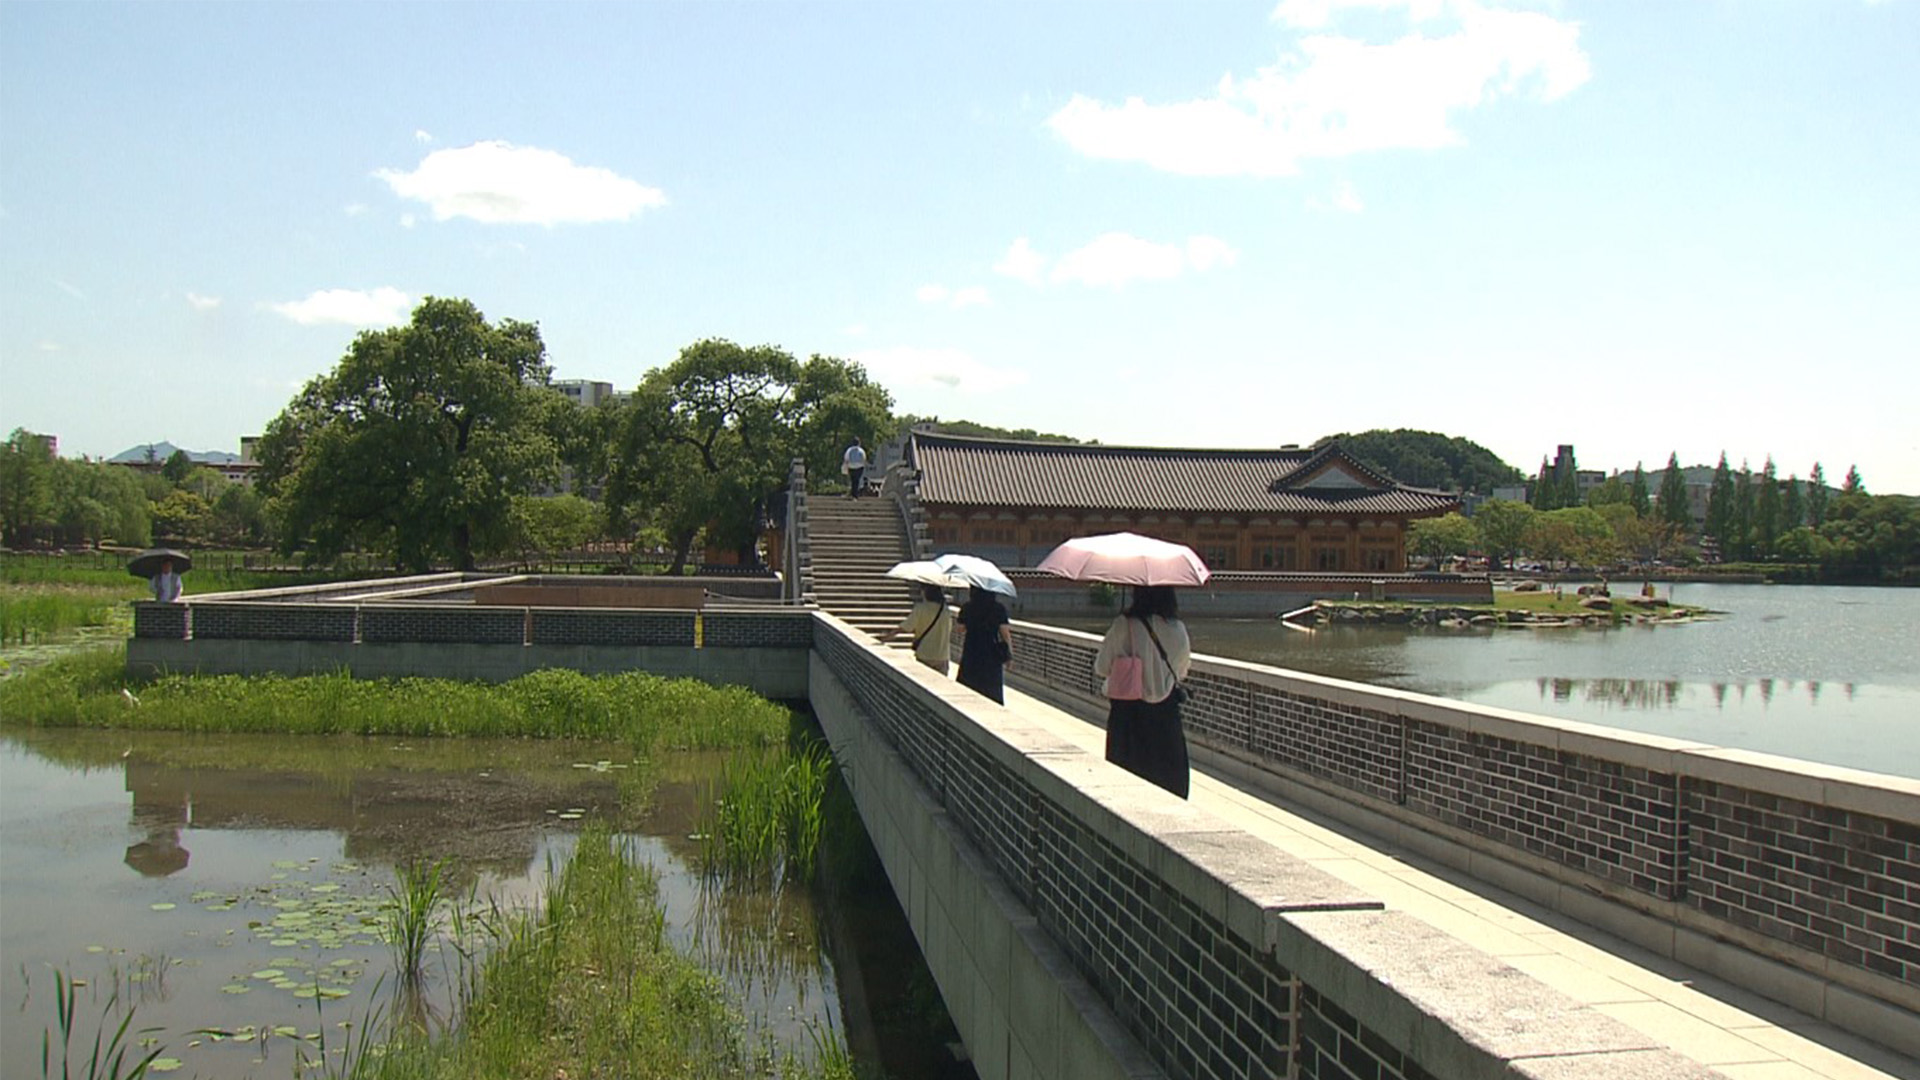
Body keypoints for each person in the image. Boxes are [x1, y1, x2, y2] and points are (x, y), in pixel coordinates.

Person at [1093, 585, 1192, 798]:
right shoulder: (1179, 629)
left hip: (1128, 718)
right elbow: (1182, 672)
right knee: (1168, 789)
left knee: (1127, 790)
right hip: (1167, 718)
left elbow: (1101, 667)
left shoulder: (1124, 625)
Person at [954, 586, 1012, 703]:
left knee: (969, 685)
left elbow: (960, 629)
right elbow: (1005, 634)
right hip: (992, 652)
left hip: (972, 650)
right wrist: (1009, 654)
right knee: (991, 689)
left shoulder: (968, 607)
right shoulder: (998, 608)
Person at [882, 583, 952, 675]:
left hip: (925, 653)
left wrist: (891, 634)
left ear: (925, 592)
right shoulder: (945, 610)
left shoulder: (921, 608)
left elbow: (907, 626)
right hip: (943, 655)